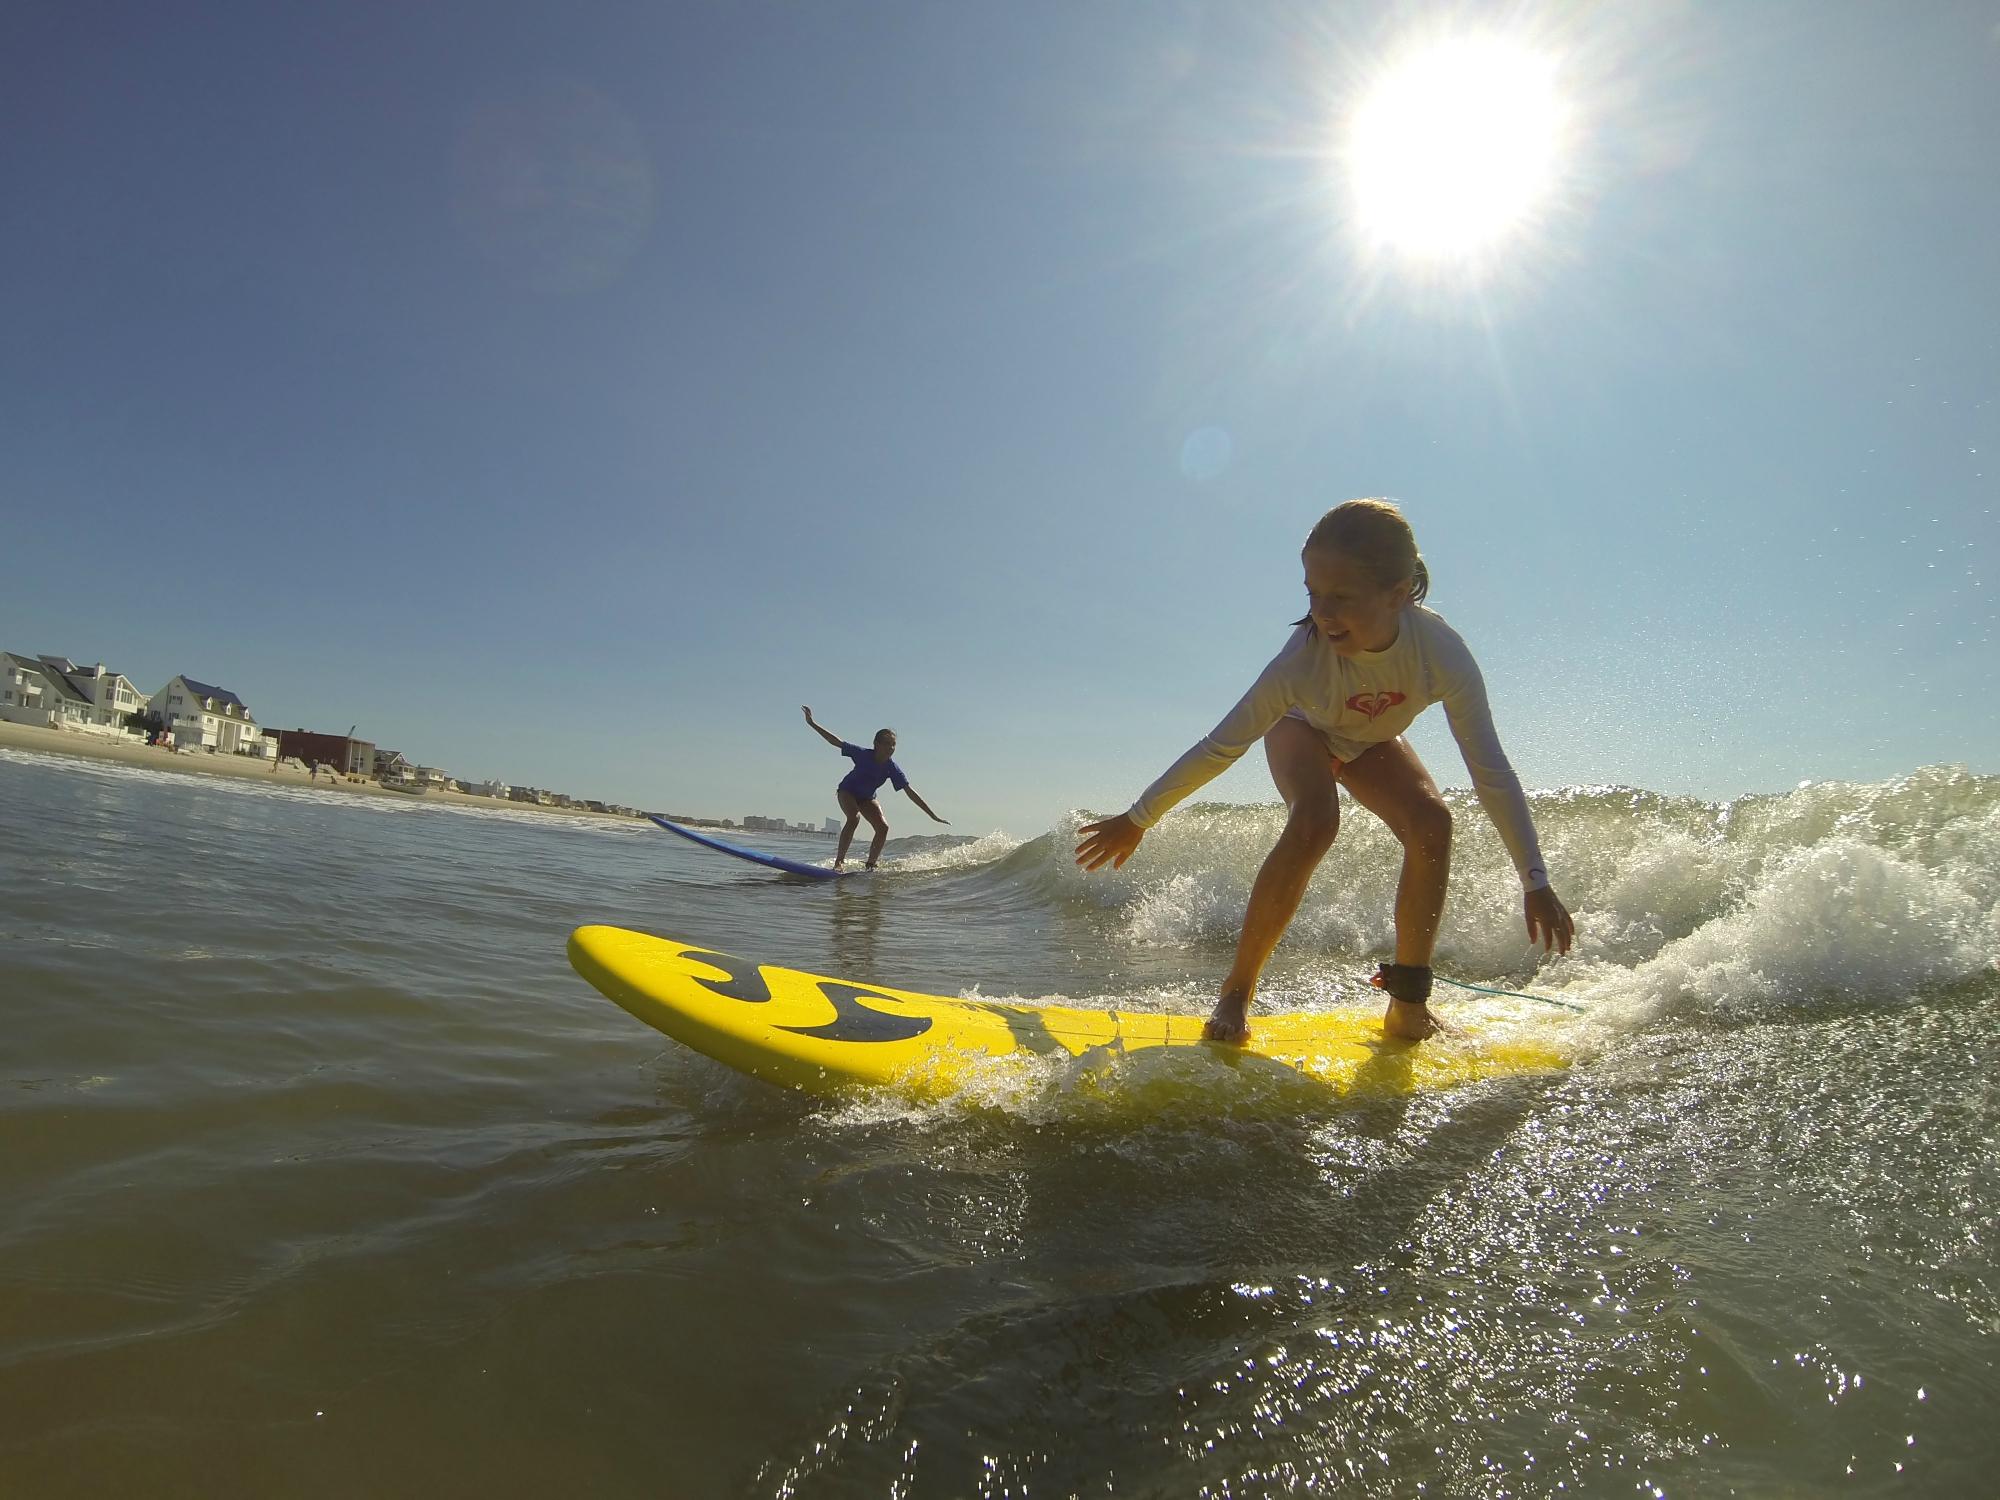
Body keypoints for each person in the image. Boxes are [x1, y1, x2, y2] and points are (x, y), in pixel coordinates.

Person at [1074, 498, 1575, 1044]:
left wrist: (1535, 879)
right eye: (1313, 594)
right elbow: (1221, 746)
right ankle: (1236, 993)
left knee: (1433, 823)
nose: (1323, 614)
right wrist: (1139, 817)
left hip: (1370, 738)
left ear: (1398, 593)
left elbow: (1490, 771)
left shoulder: (1441, 655)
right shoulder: (1300, 664)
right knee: (1317, 820)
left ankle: (1407, 1004)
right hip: (1301, 727)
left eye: (1341, 597)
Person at [801, 706, 949, 869]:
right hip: (847, 791)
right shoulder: (863, 754)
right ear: (876, 744)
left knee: (883, 827)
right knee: (854, 817)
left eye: (893, 745)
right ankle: (839, 862)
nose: (890, 748)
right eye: (886, 744)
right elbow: (835, 741)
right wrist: (812, 723)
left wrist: (933, 816)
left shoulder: (892, 768)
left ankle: (871, 865)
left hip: (867, 797)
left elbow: (910, 792)